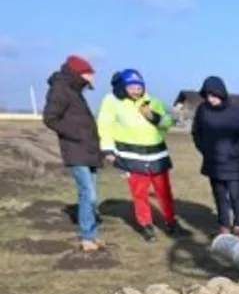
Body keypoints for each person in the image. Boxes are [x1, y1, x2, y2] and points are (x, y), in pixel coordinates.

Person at [97, 68, 178, 242]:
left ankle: (171, 222)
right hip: (131, 155)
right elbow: (104, 124)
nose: (136, 90)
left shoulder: (152, 100)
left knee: (164, 191)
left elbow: (169, 120)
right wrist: (108, 149)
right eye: (132, 86)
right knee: (139, 192)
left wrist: (154, 117)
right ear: (123, 87)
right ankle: (146, 226)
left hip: (157, 154)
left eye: (139, 86)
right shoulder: (112, 101)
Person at [42, 54, 104, 252]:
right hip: (75, 149)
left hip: (88, 150)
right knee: (89, 194)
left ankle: (92, 235)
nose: (92, 78)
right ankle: (87, 237)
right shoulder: (60, 89)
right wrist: (77, 133)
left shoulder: (75, 91)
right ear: (78, 73)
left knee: (90, 194)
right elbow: (50, 118)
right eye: (89, 74)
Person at [191, 76, 239, 237]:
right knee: (220, 197)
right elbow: (196, 133)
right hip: (213, 162)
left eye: (213, 95)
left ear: (221, 93)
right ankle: (224, 225)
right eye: (207, 95)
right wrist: (205, 149)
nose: (210, 99)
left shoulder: (235, 111)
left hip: (233, 163)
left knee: (235, 196)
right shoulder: (202, 110)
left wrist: (233, 152)